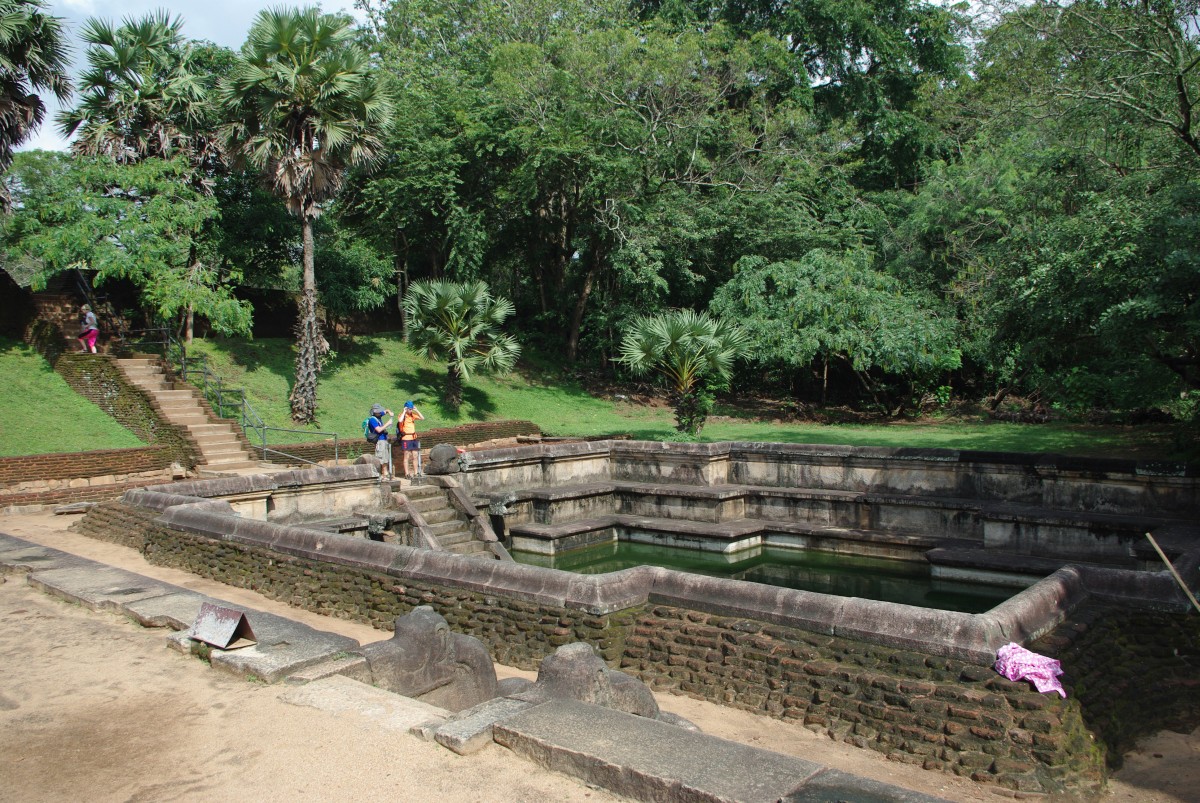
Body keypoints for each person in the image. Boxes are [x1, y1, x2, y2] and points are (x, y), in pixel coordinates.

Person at [397, 400, 425, 478]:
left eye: (411, 409)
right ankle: (407, 474)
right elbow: (400, 420)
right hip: (406, 438)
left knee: (415, 455)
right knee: (406, 456)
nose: (410, 410)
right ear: (406, 408)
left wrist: (416, 410)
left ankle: (416, 473)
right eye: (409, 409)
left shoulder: (412, 415)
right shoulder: (402, 415)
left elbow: (422, 418)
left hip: (413, 438)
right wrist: (404, 411)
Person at [367, 403, 395, 481]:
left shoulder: (378, 415)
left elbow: (386, 411)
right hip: (379, 441)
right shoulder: (373, 419)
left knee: (385, 458)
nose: (380, 412)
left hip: (384, 440)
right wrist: (388, 424)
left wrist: (390, 412)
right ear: (374, 412)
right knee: (380, 459)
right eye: (378, 411)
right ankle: (381, 475)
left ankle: (385, 474)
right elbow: (378, 429)